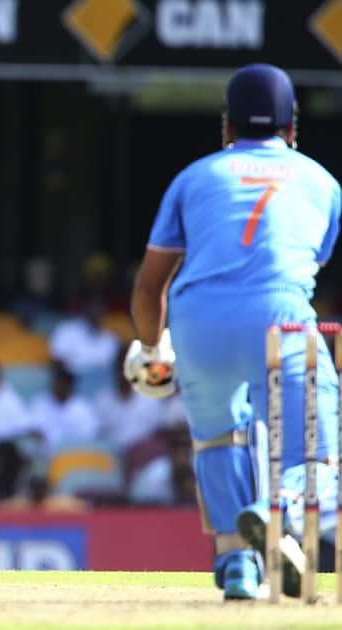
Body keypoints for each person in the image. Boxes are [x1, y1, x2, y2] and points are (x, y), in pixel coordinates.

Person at [127, 64, 340, 600]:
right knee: (316, 454)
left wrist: (154, 348)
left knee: (219, 436)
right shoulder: (322, 182)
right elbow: (305, 261)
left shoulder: (194, 177)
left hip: (196, 321)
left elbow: (150, 284)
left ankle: (238, 565)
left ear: (227, 128)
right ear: (292, 130)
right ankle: (279, 509)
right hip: (279, 315)